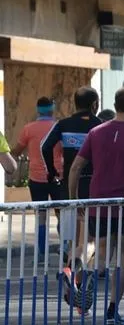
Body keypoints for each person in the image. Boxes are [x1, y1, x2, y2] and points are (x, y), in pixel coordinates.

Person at [67, 88, 124, 325]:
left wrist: (74, 198)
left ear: (115, 105)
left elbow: (75, 167)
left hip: (99, 202)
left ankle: (86, 275)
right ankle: (112, 310)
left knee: (100, 250)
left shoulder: (96, 132)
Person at [14, 97, 62, 255]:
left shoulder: (28, 129)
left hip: (36, 178)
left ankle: (41, 253)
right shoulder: (58, 127)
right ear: (52, 109)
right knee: (61, 214)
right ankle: (65, 249)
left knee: (41, 216)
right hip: (57, 176)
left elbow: (17, 151)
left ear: (38, 110)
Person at [42, 87, 101, 204]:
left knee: (69, 214)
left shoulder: (63, 124)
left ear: (75, 104)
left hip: (69, 184)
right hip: (95, 183)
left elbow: (45, 147)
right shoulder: (101, 125)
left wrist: (52, 171)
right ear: (94, 104)